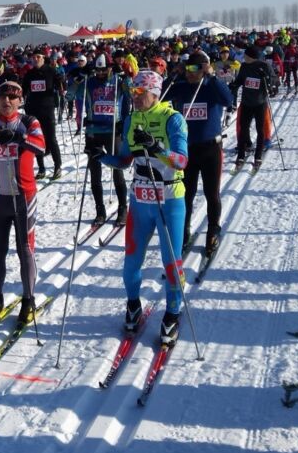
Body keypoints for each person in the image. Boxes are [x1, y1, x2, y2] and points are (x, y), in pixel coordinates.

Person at [97, 70, 189, 347]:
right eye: (132, 93)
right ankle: (133, 304)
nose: (134, 97)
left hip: (169, 198)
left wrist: (157, 147)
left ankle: (172, 313)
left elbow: (182, 161)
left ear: (154, 92)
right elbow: (125, 160)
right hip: (140, 200)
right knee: (130, 264)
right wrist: (102, 157)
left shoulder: (173, 119)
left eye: (139, 93)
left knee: (171, 264)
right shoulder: (131, 118)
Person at [0, 81, 46, 327]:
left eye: (12, 98)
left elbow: (41, 146)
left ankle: (28, 300)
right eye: (3, 98)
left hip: (24, 197)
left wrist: (18, 137)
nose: (7, 102)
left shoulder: (28, 122)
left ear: (20, 101)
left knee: (25, 250)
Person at [165, 52, 233, 254]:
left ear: (203, 69)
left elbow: (228, 99)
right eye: (187, 69)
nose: (190, 73)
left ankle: (213, 229)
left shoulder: (210, 87)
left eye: (195, 69)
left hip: (211, 148)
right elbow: (161, 95)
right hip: (187, 149)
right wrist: (174, 75)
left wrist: (211, 76)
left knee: (212, 193)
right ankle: (183, 230)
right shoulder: (182, 86)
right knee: (186, 193)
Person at [83, 56, 130, 227]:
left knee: (117, 170)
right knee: (95, 173)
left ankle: (123, 208)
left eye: (104, 69)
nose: (101, 73)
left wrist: (125, 76)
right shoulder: (90, 82)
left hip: (113, 131)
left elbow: (131, 92)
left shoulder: (118, 81)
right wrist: (81, 76)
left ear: (111, 67)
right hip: (93, 131)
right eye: (98, 70)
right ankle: (100, 210)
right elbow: (71, 95)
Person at [230, 46, 276, 171]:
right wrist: (234, 85)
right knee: (243, 129)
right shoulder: (244, 66)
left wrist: (266, 79)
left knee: (260, 130)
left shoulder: (265, 66)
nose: (244, 57)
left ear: (252, 57)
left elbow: (273, 81)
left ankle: (258, 156)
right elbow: (240, 80)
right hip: (246, 102)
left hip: (260, 103)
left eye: (246, 56)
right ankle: (241, 154)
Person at [22, 51, 63, 180]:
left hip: (47, 109)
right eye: (33, 57)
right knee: (36, 139)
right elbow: (24, 90)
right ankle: (41, 168)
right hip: (33, 110)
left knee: (51, 138)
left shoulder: (51, 71)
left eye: (38, 57)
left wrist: (61, 82)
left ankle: (57, 166)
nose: (35, 59)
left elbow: (61, 84)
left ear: (43, 58)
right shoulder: (29, 74)